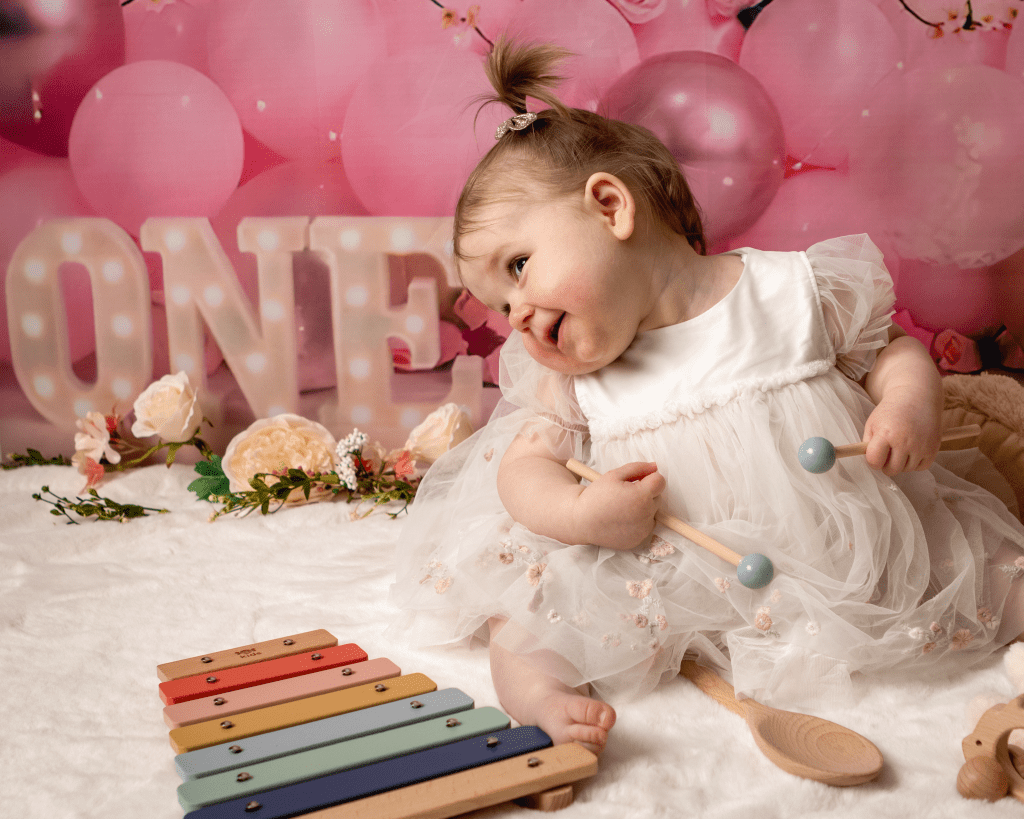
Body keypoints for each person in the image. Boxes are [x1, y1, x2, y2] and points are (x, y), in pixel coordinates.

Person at [388, 38, 1024, 755]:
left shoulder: (788, 291)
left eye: (521, 267)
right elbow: (522, 467)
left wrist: (906, 406)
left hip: (835, 539)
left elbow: (894, 353)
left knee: (990, 571)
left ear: (609, 206)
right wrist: (580, 512)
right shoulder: (575, 378)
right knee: (529, 615)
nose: (521, 316)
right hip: (662, 561)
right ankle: (542, 695)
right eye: (501, 306)